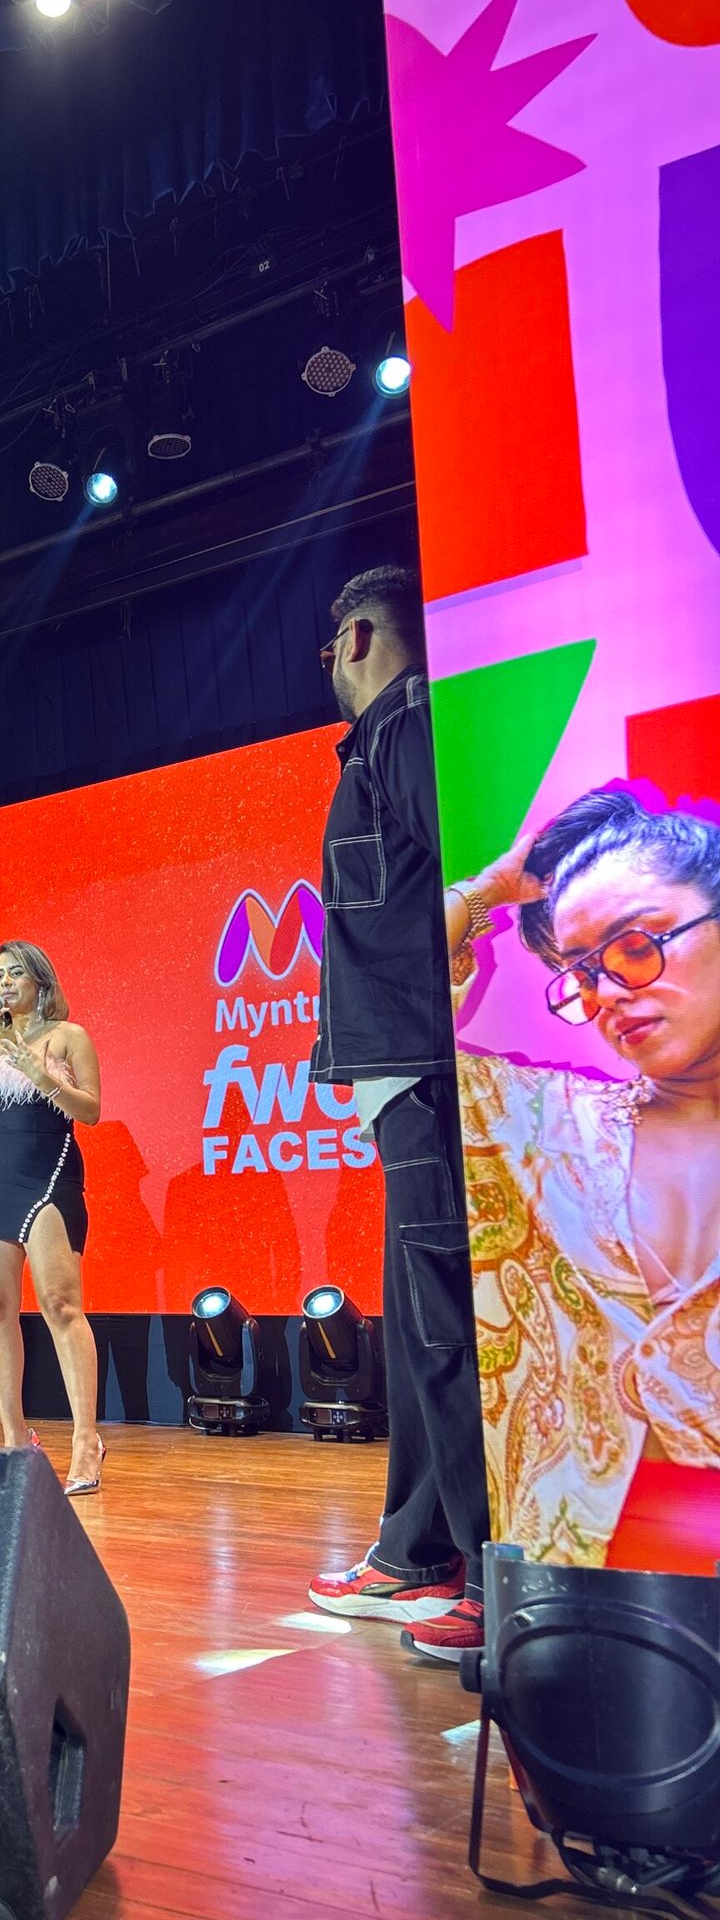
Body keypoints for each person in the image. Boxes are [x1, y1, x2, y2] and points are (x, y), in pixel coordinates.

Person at [446, 788, 720, 1574]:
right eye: (583, 972)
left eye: (635, 946)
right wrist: (490, 888)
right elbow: (373, 999)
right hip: (581, 1592)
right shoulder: (546, 1126)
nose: (607, 994)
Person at [304, 566, 489, 1663]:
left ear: (363, 636)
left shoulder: (405, 724)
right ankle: (416, 1550)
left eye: (331, 646)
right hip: (402, 1077)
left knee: (441, 1328)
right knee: (418, 1325)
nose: (328, 665)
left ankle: (494, 1578)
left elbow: (467, 868)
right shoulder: (379, 740)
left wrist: (453, 956)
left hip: (425, 1067)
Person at [0, 941, 105, 1494]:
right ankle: (15, 1440)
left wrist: (43, 1075)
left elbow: (91, 1111)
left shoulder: (69, 1036)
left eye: (16, 973)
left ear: (40, 980)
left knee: (61, 1305)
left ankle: (86, 1440)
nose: (6, 982)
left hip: (50, 1172)